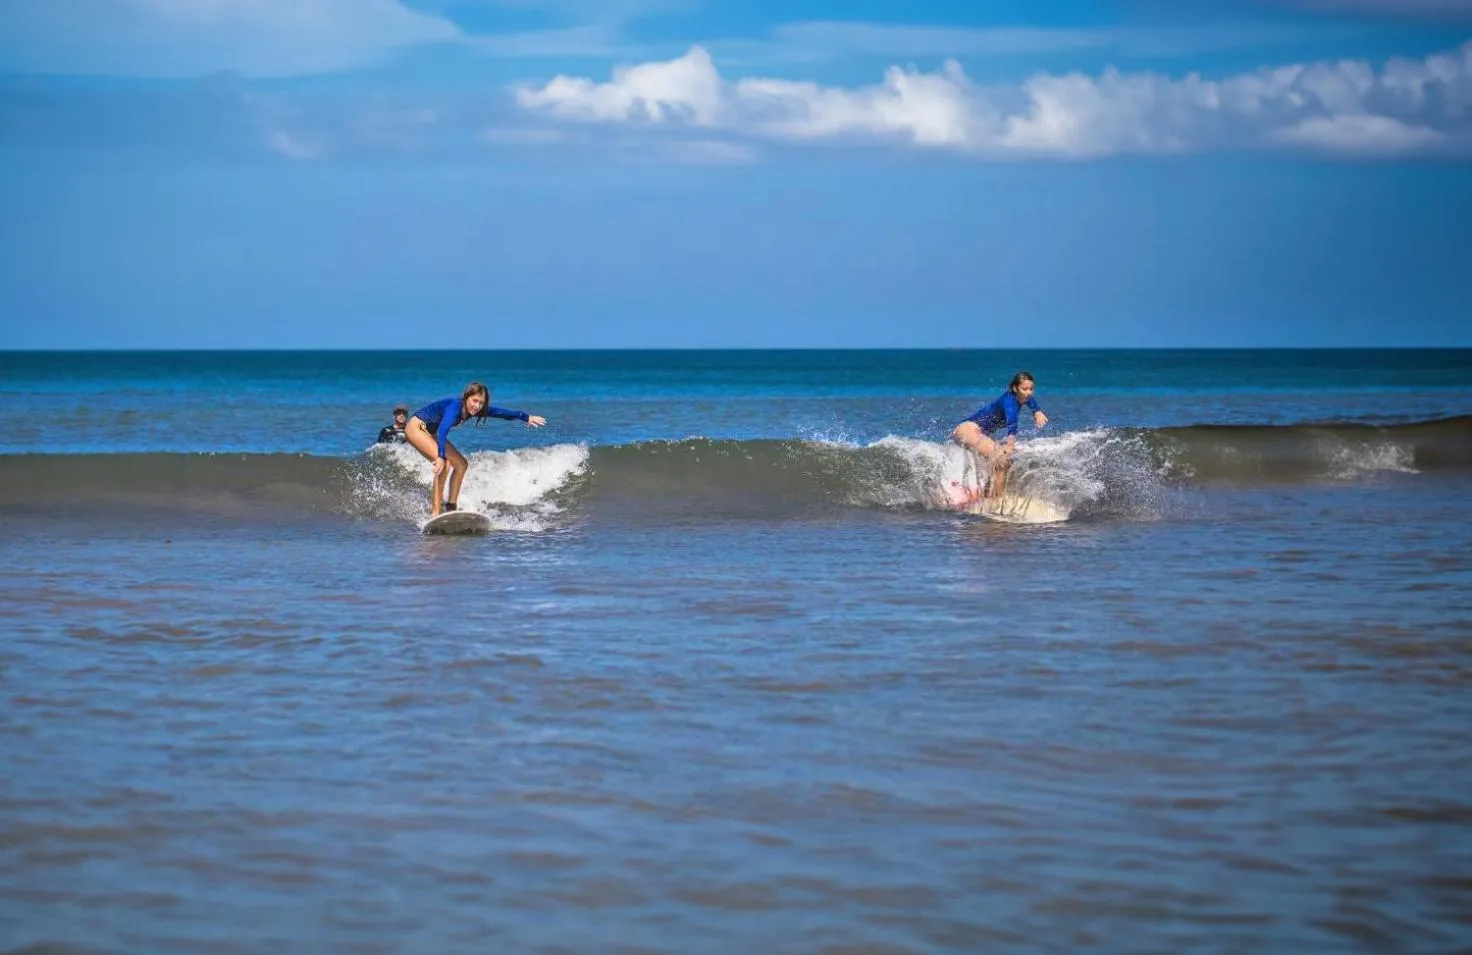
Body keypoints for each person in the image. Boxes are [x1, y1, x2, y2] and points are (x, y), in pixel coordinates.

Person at [404, 382, 546, 517]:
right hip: (417, 427)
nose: (477, 406)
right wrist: (440, 457)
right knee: (445, 464)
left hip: (431, 432)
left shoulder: (475, 410)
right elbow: (443, 431)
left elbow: (502, 413)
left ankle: (451, 508)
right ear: (467, 398)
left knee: (461, 464)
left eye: (481, 403)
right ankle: (435, 513)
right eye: (474, 400)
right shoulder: (454, 407)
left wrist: (526, 417)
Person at [952, 371, 1049, 501]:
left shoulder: (1022, 397)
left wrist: (1036, 411)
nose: (1028, 392)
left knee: (998, 462)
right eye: (1024, 389)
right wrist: (1010, 442)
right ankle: (995, 501)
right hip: (968, 430)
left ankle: (984, 495)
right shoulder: (1010, 401)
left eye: (1031, 389)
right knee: (1002, 460)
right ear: (1015, 388)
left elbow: (1030, 400)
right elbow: (1012, 419)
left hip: (973, 432)